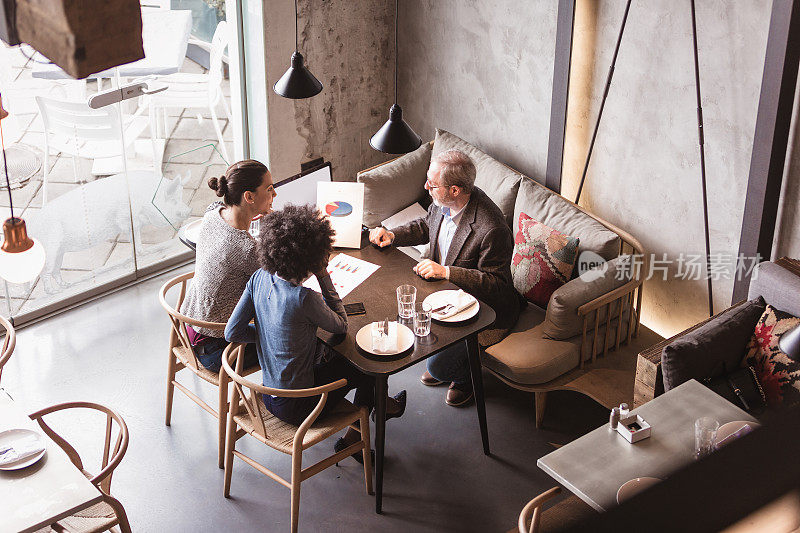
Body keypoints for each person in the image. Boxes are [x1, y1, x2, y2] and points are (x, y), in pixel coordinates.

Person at [225, 204, 406, 461]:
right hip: (300, 405)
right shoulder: (303, 298)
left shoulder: (258, 277)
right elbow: (341, 324)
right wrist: (323, 275)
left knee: (333, 356)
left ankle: (383, 405)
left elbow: (232, 332)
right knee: (367, 369)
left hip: (268, 394)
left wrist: (269, 335)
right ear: (311, 257)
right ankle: (354, 438)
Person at [369, 149, 521, 407]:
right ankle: (450, 364)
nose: (426, 186)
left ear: (455, 190)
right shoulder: (443, 202)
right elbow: (426, 226)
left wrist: (447, 272)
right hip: (447, 295)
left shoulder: (492, 228)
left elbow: (496, 285)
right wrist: (392, 235)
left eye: (432, 183)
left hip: (486, 310)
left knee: (438, 367)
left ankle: (465, 377)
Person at [180, 159, 276, 372]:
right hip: (217, 350)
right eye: (269, 189)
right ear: (249, 197)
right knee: (299, 341)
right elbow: (275, 291)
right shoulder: (246, 248)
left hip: (189, 326)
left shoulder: (213, 212)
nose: (275, 195)